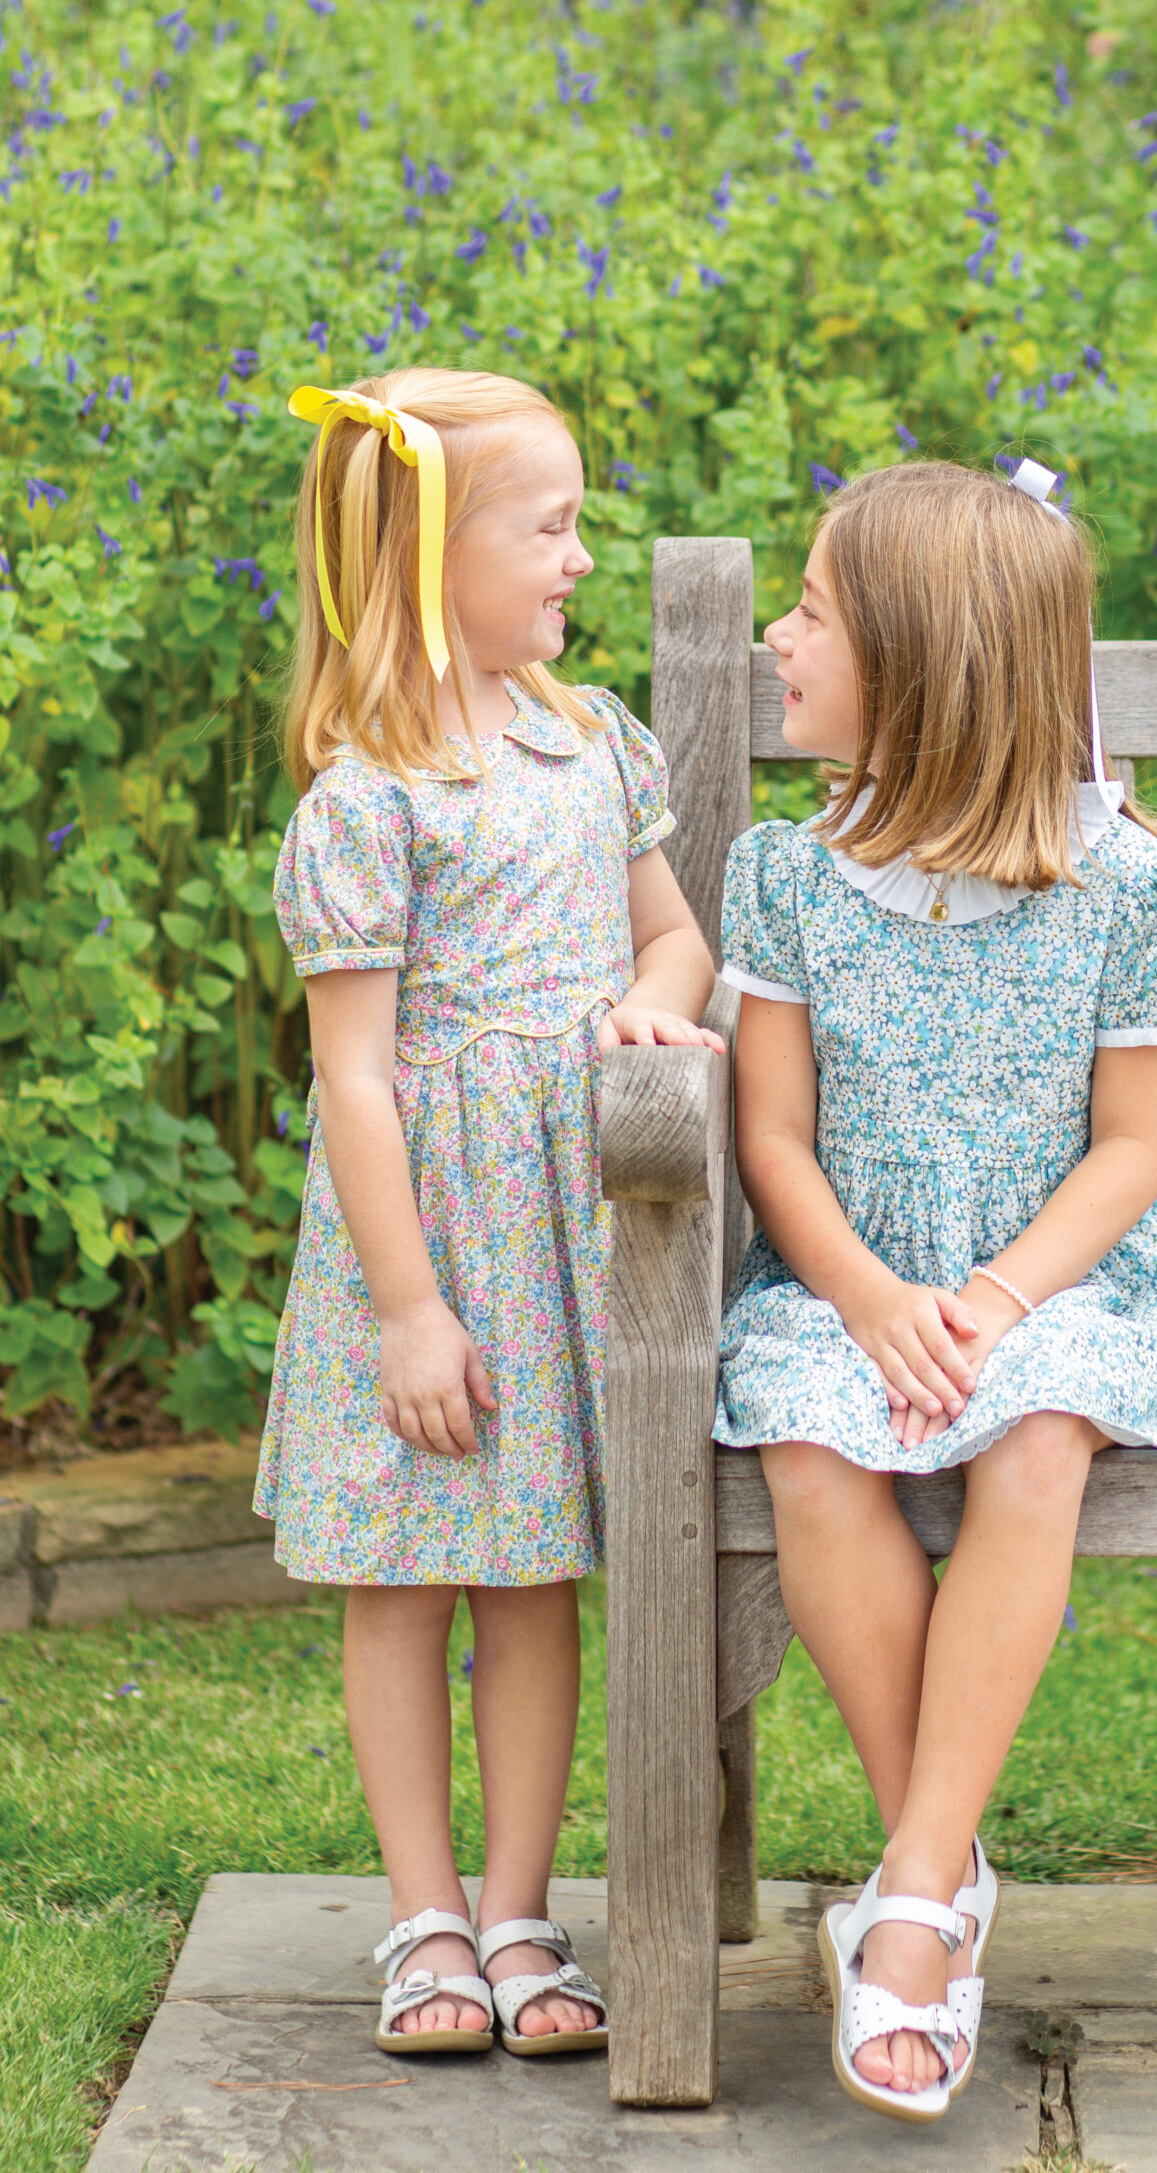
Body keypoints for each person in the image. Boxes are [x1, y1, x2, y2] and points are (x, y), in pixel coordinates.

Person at [715, 457, 1157, 2123]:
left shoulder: (1133, 890)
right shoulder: (790, 875)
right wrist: (879, 1299)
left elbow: (1129, 1154)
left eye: (811, 612)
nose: (779, 637)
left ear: (920, 663)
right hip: (845, 1276)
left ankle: (911, 1902)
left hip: (1067, 1284)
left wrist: (989, 1301)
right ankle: (936, 1877)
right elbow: (769, 1137)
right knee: (815, 1445)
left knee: (1035, 1437)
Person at [256, 367, 719, 2060]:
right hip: (434, 1243)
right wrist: (406, 1307)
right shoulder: (366, 799)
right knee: (404, 1578)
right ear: (430, 556)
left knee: (533, 1576)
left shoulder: (592, 740)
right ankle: (424, 1921)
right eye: (552, 527)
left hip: (567, 1230)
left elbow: (672, 936)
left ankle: (524, 1916)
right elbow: (357, 1076)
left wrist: (649, 1004)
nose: (581, 559)